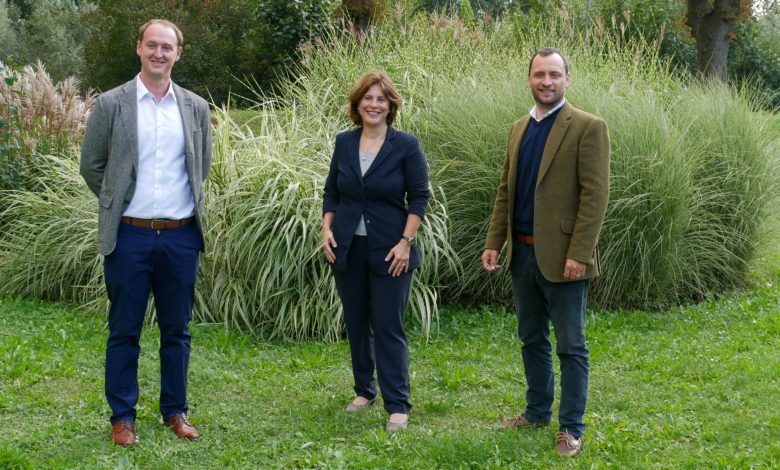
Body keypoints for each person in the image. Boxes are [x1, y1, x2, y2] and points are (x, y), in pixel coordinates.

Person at [80, 19, 212, 446]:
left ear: (178, 54)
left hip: (180, 236)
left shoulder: (194, 108)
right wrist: (118, 198)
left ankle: (175, 411)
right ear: (139, 48)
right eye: (152, 45)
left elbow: (201, 167)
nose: (159, 53)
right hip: (129, 236)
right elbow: (92, 165)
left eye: (167, 47)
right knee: (125, 330)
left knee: (178, 330)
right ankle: (123, 417)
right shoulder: (111, 103)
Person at [482, 47, 610, 457]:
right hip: (522, 255)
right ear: (529, 79)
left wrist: (580, 252)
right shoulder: (519, 127)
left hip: (565, 259)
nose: (547, 81)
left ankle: (571, 428)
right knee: (530, 338)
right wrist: (493, 242)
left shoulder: (588, 127)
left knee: (571, 346)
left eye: (555, 74)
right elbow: (506, 191)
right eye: (540, 74)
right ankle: (537, 411)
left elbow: (595, 196)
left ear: (567, 79)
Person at [322, 70, 430, 433]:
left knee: (387, 325)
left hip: (391, 249)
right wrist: (326, 231)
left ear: (391, 105)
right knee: (356, 322)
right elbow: (332, 192)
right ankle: (364, 392)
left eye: (381, 99)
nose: (374, 104)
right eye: (368, 98)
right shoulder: (344, 142)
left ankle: (397, 404)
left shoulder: (406, 146)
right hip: (347, 247)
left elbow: (418, 197)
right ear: (357, 104)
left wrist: (406, 241)